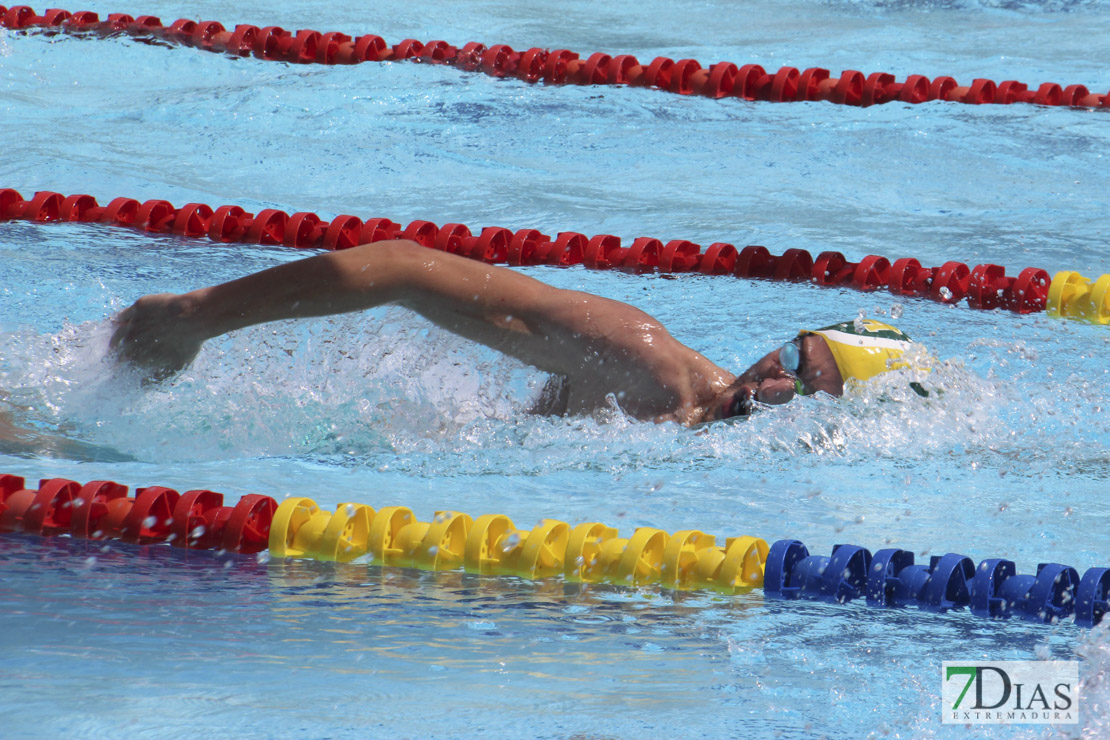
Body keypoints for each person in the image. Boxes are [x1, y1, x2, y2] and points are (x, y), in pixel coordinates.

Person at [109, 239, 918, 426]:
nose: (773, 380)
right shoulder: (649, 363)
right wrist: (199, 318)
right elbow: (402, 265)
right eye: (789, 356)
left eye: (808, 385)